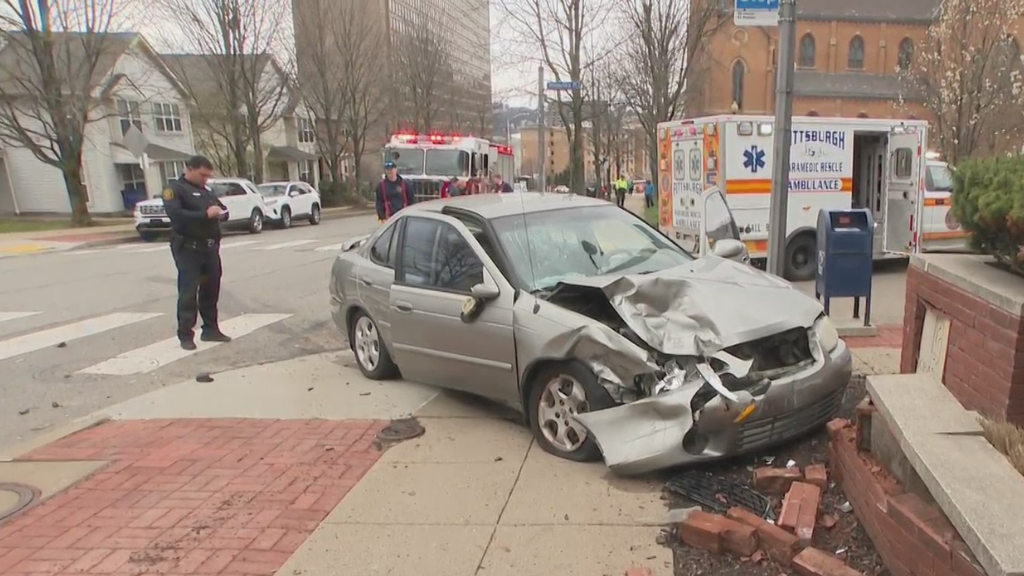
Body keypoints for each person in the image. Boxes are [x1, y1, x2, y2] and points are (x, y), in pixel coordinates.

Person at [162, 155, 232, 351]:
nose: (205, 179)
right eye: (202, 175)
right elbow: (176, 215)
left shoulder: (206, 191)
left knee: (211, 289)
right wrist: (205, 215)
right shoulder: (175, 190)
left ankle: (210, 329)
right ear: (189, 169)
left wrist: (221, 213)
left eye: (208, 176)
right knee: (189, 291)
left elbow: (222, 209)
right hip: (188, 248)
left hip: (209, 247)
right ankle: (185, 334)